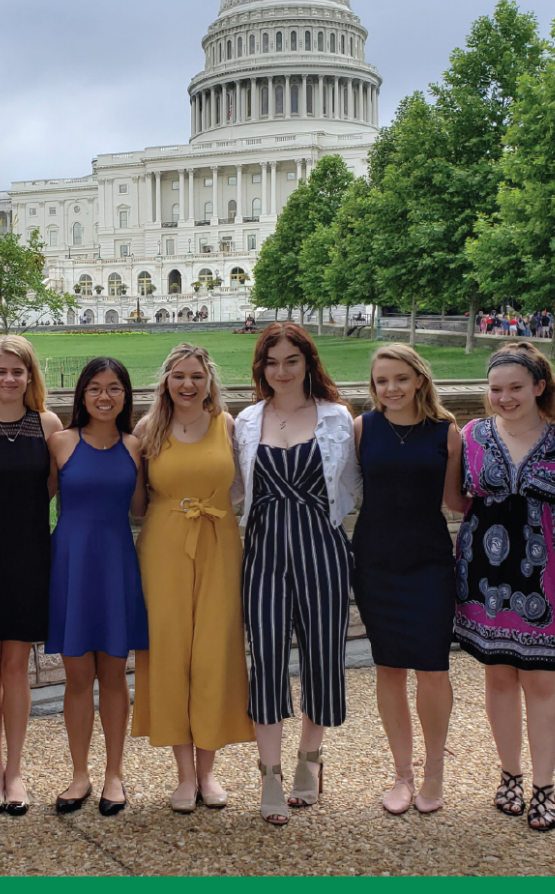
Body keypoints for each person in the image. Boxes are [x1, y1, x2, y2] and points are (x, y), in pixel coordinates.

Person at [234, 323, 360, 826]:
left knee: (323, 657)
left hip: (322, 550)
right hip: (263, 552)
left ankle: (310, 758)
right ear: (261, 368)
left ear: (308, 362)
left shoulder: (336, 418)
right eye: (272, 362)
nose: (281, 370)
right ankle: (270, 773)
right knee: (265, 659)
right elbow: (235, 491)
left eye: (291, 360)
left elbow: (350, 487)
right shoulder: (246, 420)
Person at [453, 343, 555, 831]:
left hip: (544, 574)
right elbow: (457, 497)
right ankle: (510, 774)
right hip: (484, 569)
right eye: (496, 389)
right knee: (498, 676)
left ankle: (545, 786)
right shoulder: (472, 434)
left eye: (516, 388)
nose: (504, 398)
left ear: (539, 387)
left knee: (542, 681)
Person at [131, 343, 253, 813]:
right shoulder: (148, 429)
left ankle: (208, 771)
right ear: (165, 380)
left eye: (196, 377)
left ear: (209, 381)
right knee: (170, 651)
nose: (187, 384)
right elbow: (137, 499)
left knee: (213, 652)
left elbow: (242, 482)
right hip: (163, 547)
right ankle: (183, 774)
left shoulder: (229, 425)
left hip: (219, 540)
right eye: (179, 376)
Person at [353, 344, 466, 816]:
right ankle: (402, 774)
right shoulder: (363, 428)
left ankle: (434, 773)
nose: (391, 389)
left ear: (419, 378)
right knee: (389, 668)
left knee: (433, 669)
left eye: (400, 378)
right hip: (376, 562)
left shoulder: (448, 432)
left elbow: (458, 501)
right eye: (382, 381)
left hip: (429, 562)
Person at [0, 335, 63, 817]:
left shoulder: (48, 424)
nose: (8, 379)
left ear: (29, 376)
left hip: (27, 557)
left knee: (17, 668)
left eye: (17, 371)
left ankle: (16, 770)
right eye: (0, 371)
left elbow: (51, 490)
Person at [47, 357, 148, 816]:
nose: (104, 396)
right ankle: (79, 773)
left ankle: (114, 773)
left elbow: (145, 508)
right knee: (76, 677)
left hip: (116, 564)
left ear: (125, 396)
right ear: (81, 394)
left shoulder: (135, 446)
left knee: (113, 674)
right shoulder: (60, 443)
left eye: (114, 388)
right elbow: (33, 501)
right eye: (95, 388)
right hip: (70, 562)